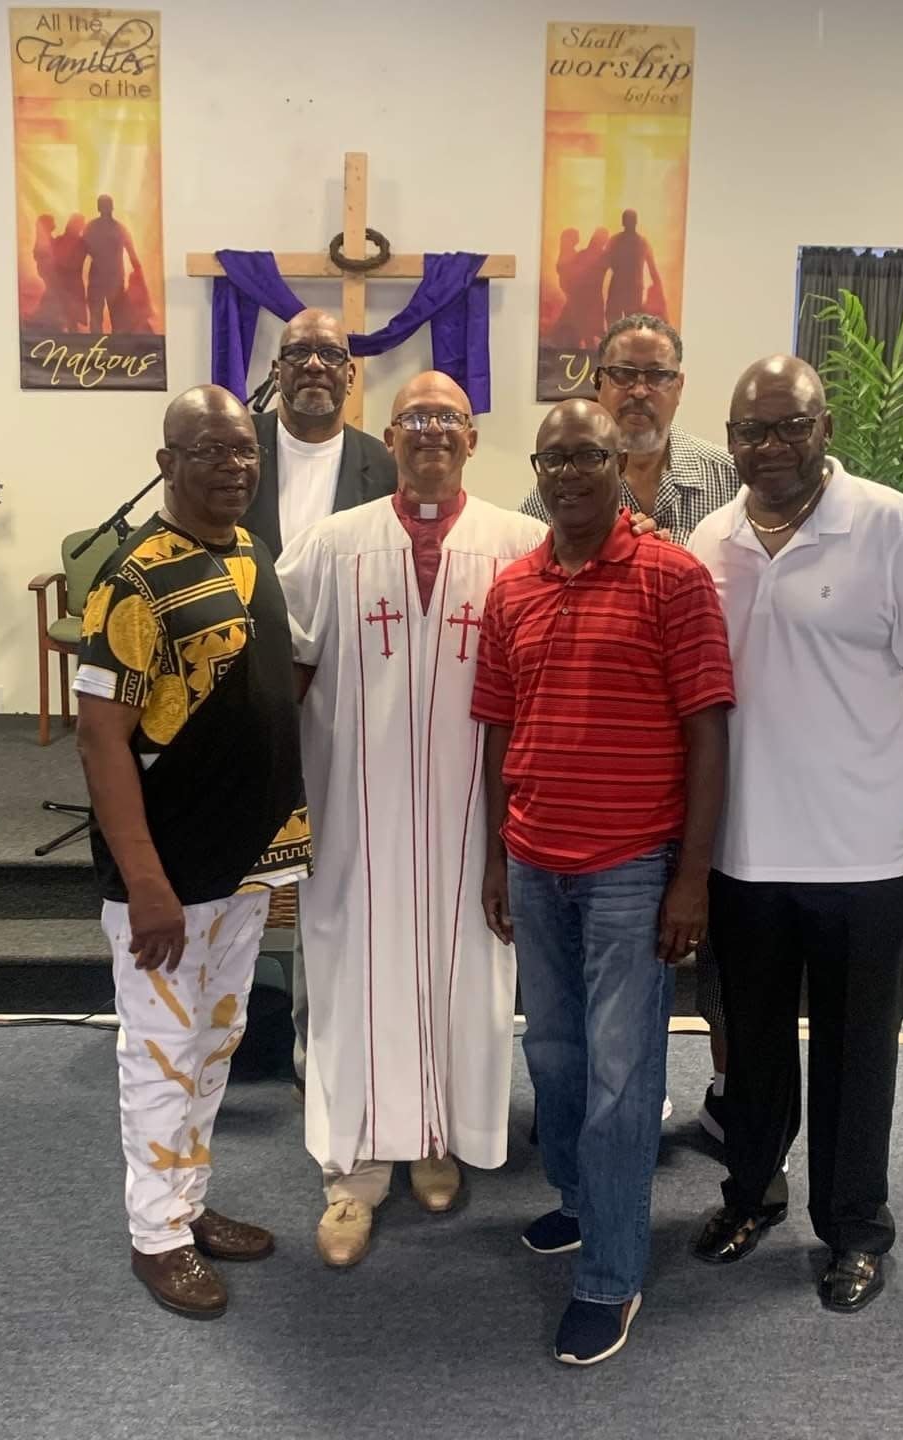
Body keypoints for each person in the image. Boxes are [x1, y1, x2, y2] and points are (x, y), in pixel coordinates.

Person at [689, 356, 903, 1313]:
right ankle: (750, 1195)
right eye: (749, 431)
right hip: (744, 851)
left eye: (787, 428)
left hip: (862, 852)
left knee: (858, 1055)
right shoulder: (710, 539)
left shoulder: (891, 526)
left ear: (824, 427)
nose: (768, 448)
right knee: (753, 1046)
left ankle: (855, 1227)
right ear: (727, 440)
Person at [473, 399, 734, 1366]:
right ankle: (586, 1204)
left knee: (625, 1083)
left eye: (591, 454)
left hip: (632, 867)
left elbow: (709, 730)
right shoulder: (514, 589)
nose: (572, 471)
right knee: (555, 1063)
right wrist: (498, 856)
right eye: (556, 457)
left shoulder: (673, 577)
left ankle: (611, 1276)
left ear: (621, 462)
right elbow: (501, 729)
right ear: (537, 470)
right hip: (537, 862)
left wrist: (691, 879)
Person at [275, 371, 548, 1269]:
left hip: (477, 811)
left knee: (466, 966)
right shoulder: (331, 544)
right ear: (387, 437)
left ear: (473, 439)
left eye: (449, 418)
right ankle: (352, 1171)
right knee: (353, 970)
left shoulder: (522, 543)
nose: (431, 431)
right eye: (414, 419)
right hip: (358, 807)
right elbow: (286, 670)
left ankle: (437, 1134)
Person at [74, 384, 311, 1320]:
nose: (234, 467)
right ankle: (155, 1236)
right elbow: (102, 739)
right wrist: (144, 881)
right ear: (167, 463)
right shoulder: (132, 579)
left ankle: (189, 1205)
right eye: (210, 450)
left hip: (246, 860)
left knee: (214, 1044)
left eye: (245, 450)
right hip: (168, 872)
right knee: (162, 1051)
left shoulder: (251, 553)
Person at [521, 314, 740, 1135]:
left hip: (716, 746)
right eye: (623, 374)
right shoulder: (552, 490)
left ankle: (731, 1103)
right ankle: (603, 1105)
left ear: (680, 386)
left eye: (656, 375)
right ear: (598, 383)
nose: (639, 390)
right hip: (610, 777)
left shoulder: (728, 479)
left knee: (721, 941)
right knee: (601, 959)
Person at [241, 308, 397, 1099]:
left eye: (328, 355)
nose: (312, 366)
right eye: (297, 352)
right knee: (247, 868)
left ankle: (319, 1037)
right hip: (247, 693)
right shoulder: (239, 452)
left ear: (349, 373)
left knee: (331, 872)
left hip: (347, 700)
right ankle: (227, 1028)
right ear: (277, 367)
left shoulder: (382, 462)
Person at [84, 194, 142, 332]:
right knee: (104, 317)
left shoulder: (93, 227)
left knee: (108, 317)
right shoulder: (118, 228)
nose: (104, 208)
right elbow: (81, 251)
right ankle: (107, 346)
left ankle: (104, 347)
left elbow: (81, 251)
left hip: (107, 278)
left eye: (104, 205)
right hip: (107, 278)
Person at [604, 209, 665, 327]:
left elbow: (606, 262)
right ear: (636, 222)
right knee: (629, 325)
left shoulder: (616, 240)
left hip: (622, 287)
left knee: (621, 324)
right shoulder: (642, 242)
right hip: (631, 289)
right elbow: (652, 269)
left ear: (623, 222)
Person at [53, 213, 88, 333]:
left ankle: (71, 332)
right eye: (80, 224)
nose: (82, 227)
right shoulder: (81, 243)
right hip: (69, 281)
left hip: (68, 281)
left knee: (70, 314)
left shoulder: (80, 242)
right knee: (69, 313)